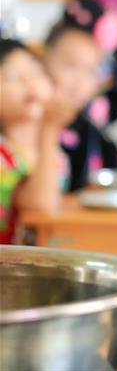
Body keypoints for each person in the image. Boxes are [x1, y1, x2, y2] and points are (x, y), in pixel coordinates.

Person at [43, 0, 117, 191]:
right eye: (71, 66)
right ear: (44, 60)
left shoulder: (95, 114)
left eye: (92, 70)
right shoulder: (26, 117)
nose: (80, 82)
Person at [0, 38, 74, 244]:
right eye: (12, 76)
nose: (28, 82)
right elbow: (37, 204)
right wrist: (49, 130)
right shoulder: (3, 155)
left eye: (35, 71)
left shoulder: (57, 155)